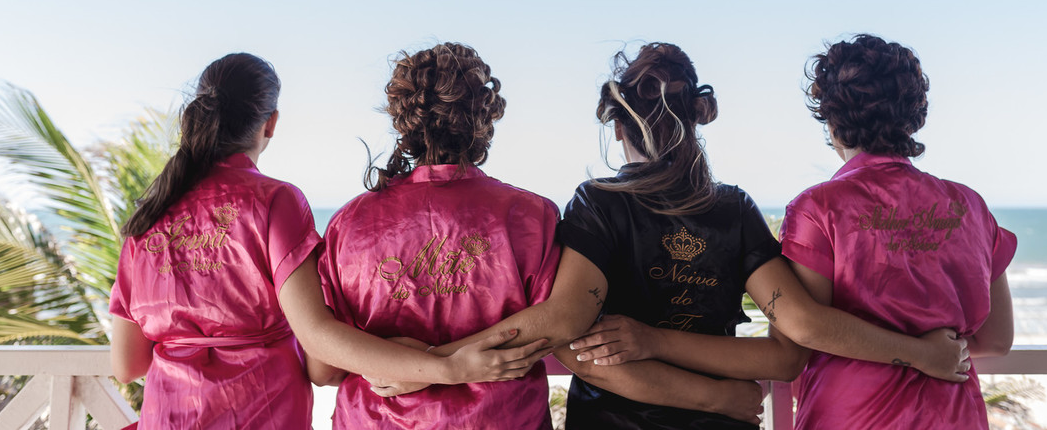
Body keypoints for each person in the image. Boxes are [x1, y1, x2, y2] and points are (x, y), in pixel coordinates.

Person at [375, 43, 971, 429]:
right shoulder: (733, 210)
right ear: (695, 120)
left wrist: (430, 363)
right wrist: (714, 397)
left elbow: (565, 337)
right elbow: (787, 354)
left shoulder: (598, 204)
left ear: (617, 121)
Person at [110, 52, 545, 430]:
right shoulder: (274, 201)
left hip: (169, 415)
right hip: (262, 412)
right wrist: (443, 365)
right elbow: (318, 338)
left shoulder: (148, 215)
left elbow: (127, 366)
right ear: (271, 122)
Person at [312, 43, 563, 429]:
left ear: (403, 118)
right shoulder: (532, 215)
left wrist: (415, 362)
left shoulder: (347, 225)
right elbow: (550, 333)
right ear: (484, 115)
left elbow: (325, 368)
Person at [778, 34, 1017, 428]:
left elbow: (807, 332)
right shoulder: (969, 206)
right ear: (912, 116)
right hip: (951, 416)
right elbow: (996, 341)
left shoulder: (818, 208)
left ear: (832, 120)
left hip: (851, 415)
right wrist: (930, 349)